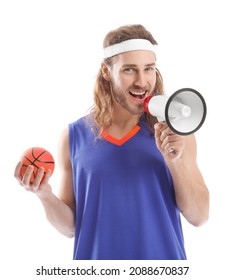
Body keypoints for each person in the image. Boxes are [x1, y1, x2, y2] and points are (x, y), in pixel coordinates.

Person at [14, 24, 209, 260]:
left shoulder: (177, 131)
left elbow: (199, 216)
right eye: (129, 70)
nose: (142, 81)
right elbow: (71, 228)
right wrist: (44, 194)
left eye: (149, 69)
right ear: (107, 72)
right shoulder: (73, 136)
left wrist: (174, 161)